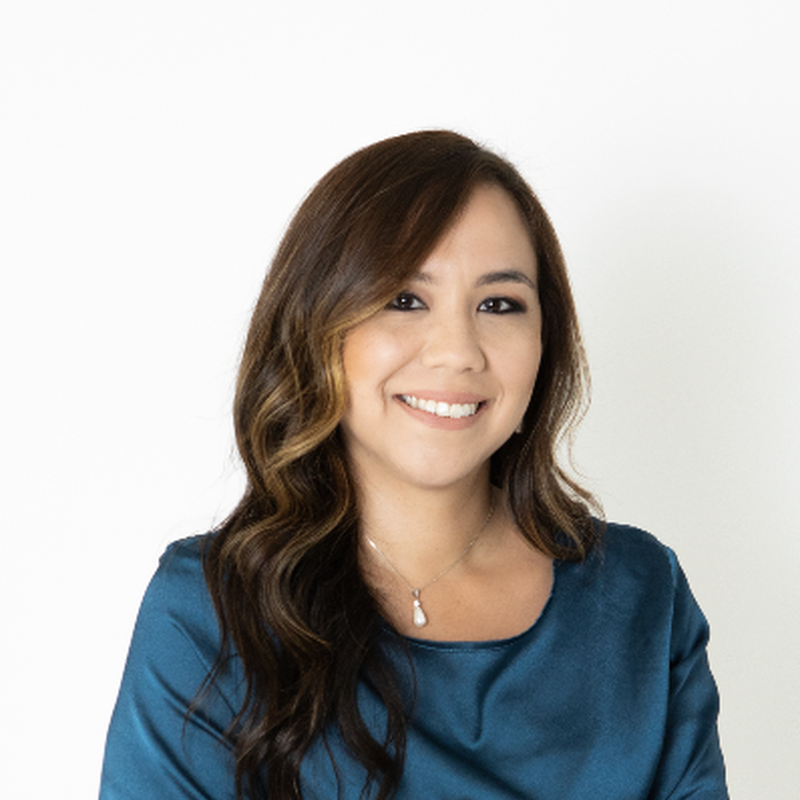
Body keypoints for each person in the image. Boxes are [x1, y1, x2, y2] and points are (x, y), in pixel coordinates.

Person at [99, 130, 728, 799]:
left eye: (499, 304)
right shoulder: (208, 614)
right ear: (315, 329)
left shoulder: (641, 599)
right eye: (405, 299)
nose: (458, 351)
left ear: (545, 345)